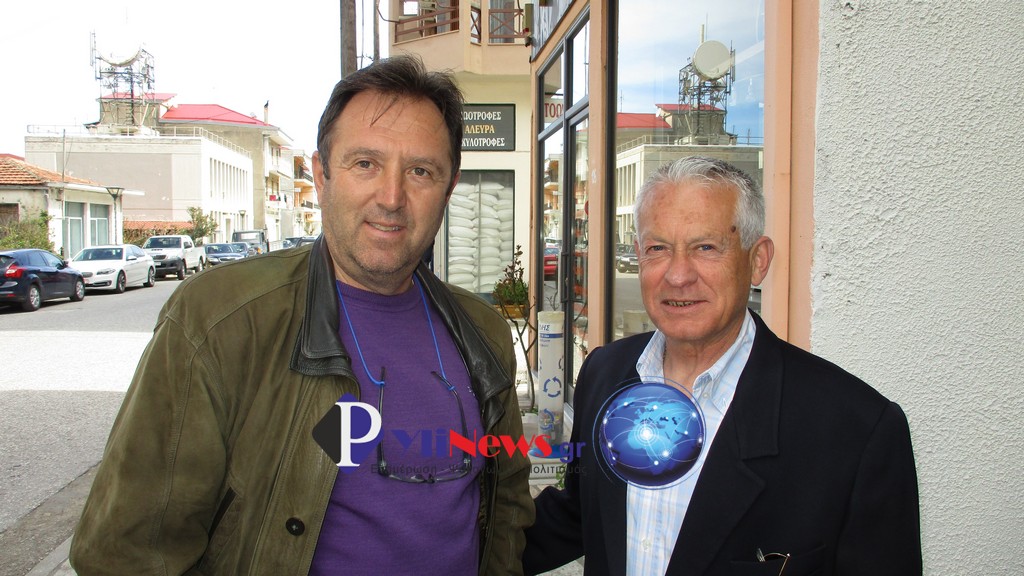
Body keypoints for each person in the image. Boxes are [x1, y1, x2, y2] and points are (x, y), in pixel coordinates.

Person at [71, 55, 533, 575]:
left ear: (448, 189)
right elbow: (129, 553)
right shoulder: (220, 321)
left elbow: (508, 506)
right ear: (321, 174)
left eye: (421, 171)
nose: (391, 198)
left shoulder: (482, 332)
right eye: (365, 163)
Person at [523, 156, 921, 575]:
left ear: (758, 260)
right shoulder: (605, 375)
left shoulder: (856, 431)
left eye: (706, 248)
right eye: (658, 249)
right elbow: (579, 515)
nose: (678, 276)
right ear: (638, 255)